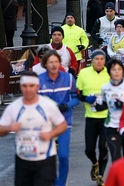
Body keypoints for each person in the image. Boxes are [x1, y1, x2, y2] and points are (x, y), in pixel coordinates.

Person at [0, 71, 67, 186]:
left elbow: (62, 125)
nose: (28, 90)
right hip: (23, 159)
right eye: (25, 86)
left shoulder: (48, 105)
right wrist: (10, 127)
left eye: (31, 86)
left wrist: (51, 134)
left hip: (45, 158)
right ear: (20, 86)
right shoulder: (13, 107)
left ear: (38, 86)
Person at [38, 50, 80, 186]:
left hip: (64, 123)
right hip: (46, 124)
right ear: (45, 64)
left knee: (63, 155)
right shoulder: (39, 80)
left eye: (56, 61)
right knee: (48, 157)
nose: (54, 65)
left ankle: (61, 183)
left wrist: (66, 106)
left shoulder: (68, 78)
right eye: (51, 62)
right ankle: (53, 181)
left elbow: (76, 98)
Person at [76, 49, 110, 185]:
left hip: (106, 118)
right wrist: (86, 98)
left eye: (102, 59)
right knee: (89, 149)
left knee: (103, 147)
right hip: (90, 117)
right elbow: (78, 94)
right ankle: (95, 163)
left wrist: (107, 104)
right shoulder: (84, 73)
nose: (99, 61)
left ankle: (101, 175)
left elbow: (117, 93)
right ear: (92, 61)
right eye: (97, 59)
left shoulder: (110, 73)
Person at [101, 59, 124, 162]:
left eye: (119, 69)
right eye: (113, 69)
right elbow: (104, 103)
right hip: (111, 126)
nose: (116, 72)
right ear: (109, 72)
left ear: (123, 71)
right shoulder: (105, 88)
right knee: (116, 159)